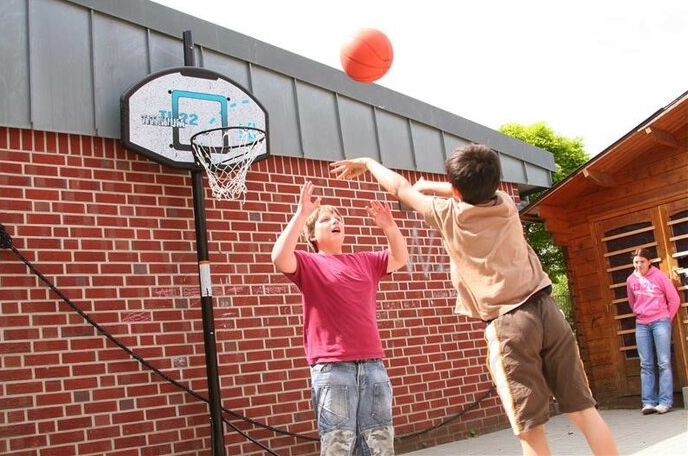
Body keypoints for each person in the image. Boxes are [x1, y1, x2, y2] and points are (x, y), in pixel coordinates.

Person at [330, 144, 618, 456]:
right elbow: (467, 189)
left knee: (530, 428)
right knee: (584, 411)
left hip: (510, 324)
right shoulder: (506, 204)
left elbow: (399, 187)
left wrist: (368, 162)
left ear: (453, 188)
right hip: (548, 310)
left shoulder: (447, 215)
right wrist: (432, 185)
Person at [271, 181, 408, 456]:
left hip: (373, 366)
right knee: (338, 445)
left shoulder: (366, 261)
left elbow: (400, 257)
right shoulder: (308, 263)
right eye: (326, 219)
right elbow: (279, 258)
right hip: (332, 369)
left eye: (339, 218)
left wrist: (389, 227)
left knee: (380, 443)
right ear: (312, 235)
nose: (336, 221)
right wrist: (301, 214)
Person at [626, 248, 680, 415]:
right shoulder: (630, 280)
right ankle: (648, 402)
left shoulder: (659, 276)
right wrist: (641, 312)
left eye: (642, 261)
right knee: (645, 364)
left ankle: (665, 402)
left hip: (660, 322)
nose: (639, 265)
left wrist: (665, 319)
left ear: (649, 262)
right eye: (636, 262)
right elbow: (632, 302)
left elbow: (674, 299)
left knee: (663, 362)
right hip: (641, 323)